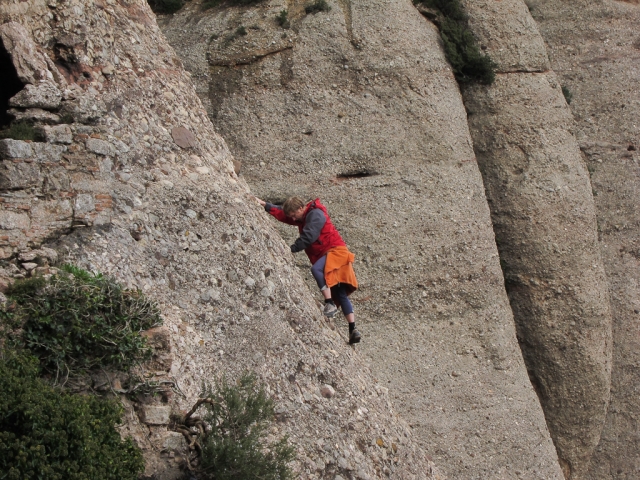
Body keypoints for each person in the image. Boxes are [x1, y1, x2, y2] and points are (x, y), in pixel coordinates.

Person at [254, 196, 361, 344]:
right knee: (339, 291)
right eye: (291, 215)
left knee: (316, 269)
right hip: (329, 253)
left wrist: (291, 249)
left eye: (294, 214)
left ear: (300, 208)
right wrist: (265, 205)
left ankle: (329, 302)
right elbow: (284, 215)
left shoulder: (315, 214)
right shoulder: (302, 216)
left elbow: (309, 235)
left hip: (335, 251)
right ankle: (353, 329)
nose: (292, 217)